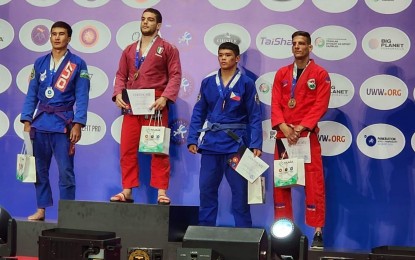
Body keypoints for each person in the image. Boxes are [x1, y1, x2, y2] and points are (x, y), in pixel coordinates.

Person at [20, 21, 91, 220]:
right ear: (50, 37)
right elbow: (32, 93)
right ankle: (41, 209)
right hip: (40, 123)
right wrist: (27, 119)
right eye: (54, 34)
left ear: (69, 38)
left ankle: (67, 214)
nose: (57, 37)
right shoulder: (39, 63)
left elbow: (82, 96)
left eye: (61, 34)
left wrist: (78, 123)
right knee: (39, 171)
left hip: (63, 124)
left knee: (66, 172)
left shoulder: (77, 63)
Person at [187, 42, 262, 227]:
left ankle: (244, 235)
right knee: (206, 190)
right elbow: (199, 113)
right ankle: (204, 231)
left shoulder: (246, 83)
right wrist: (192, 138)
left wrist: (256, 144)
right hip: (211, 144)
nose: (223, 58)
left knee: (240, 193)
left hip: (236, 145)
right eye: (220, 54)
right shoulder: (208, 82)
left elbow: (255, 116)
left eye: (228, 55)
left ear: (237, 59)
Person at [111, 8, 182, 205]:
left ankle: (161, 191)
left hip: (155, 105)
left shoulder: (168, 48)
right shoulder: (129, 50)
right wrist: (117, 93)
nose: (145, 23)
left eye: (150, 20)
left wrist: (166, 98)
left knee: (158, 149)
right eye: (143, 19)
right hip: (132, 106)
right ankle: (127, 190)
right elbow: (120, 75)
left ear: (158, 25)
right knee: (127, 149)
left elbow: (175, 75)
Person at [271, 31, 331, 248]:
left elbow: (320, 105)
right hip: (284, 136)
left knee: (314, 183)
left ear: (310, 47)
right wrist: (285, 127)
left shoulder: (320, 74)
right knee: (282, 184)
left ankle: (317, 231)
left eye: (302, 43)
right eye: (294, 43)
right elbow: (275, 102)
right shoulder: (282, 73)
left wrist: (302, 127)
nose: (297, 47)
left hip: (306, 136)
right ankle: (283, 232)